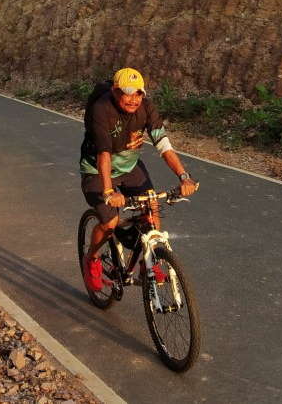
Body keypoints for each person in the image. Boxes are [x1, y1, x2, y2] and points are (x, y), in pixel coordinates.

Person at [79, 67, 198, 292]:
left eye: (138, 93)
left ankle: (147, 263)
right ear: (115, 91)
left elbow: (163, 145)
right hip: (97, 170)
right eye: (128, 93)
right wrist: (108, 192)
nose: (134, 99)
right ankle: (92, 259)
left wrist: (184, 177)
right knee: (110, 222)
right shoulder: (101, 109)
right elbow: (104, 154)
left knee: (151, 205)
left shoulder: (146, 108)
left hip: (129, 167)